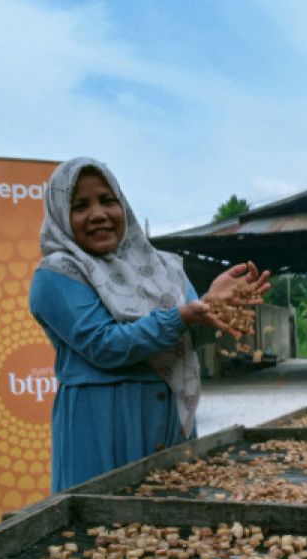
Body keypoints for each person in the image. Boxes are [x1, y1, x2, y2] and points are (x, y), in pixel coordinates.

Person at [29, 157, 269, 492]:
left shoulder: (164, 269)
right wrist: (181, 316)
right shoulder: (57, 275)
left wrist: (215, 306)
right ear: (59, 215)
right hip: (102, 427)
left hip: (168, 422)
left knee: (171, 525)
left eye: (107, 200)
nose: (97, 213)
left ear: (123, 206)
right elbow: (104, 345)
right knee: (105, 528)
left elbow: (188, 337)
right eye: (80, 205)